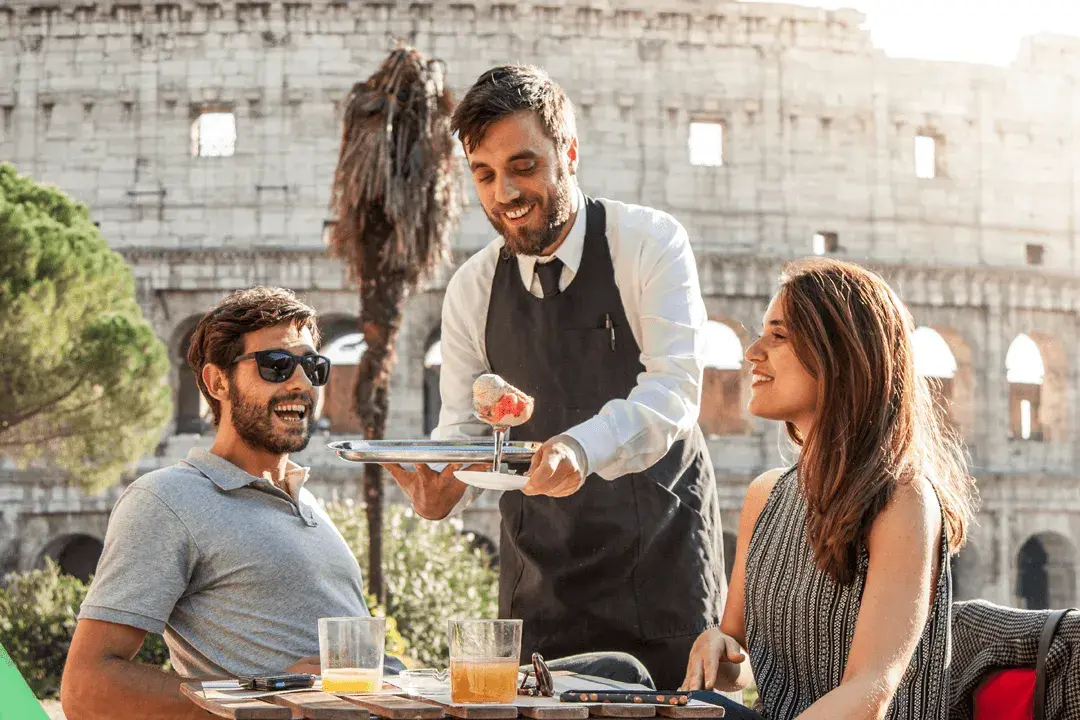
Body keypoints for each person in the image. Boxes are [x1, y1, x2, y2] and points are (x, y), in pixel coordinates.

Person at [61, 287, 654, 720]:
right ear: (216, 383)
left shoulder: (307, 504)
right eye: (275, 365)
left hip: (407, 703)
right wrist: (274, 698)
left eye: (313, 366)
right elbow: (88, 687)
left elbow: (354, 672)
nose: (301, 383)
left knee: (620, 675)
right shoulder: (168, 500)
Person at [383, 65, 725, 690]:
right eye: (484, 175)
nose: (504, 193)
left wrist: (579, 445)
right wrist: (446, 487)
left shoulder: (648, 243)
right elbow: (464, 427)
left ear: (567, 153)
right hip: (538, 585)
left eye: (523, 166)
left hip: (660, 574)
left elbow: (674, 389)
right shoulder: (470, 288)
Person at [680, 259, 978, 719]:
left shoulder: (901, 500)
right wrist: (719, 648)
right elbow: (741, 663)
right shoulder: (765, 496)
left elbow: (869, 694)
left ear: (839, 355)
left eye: (778, 336)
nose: (752, 352)